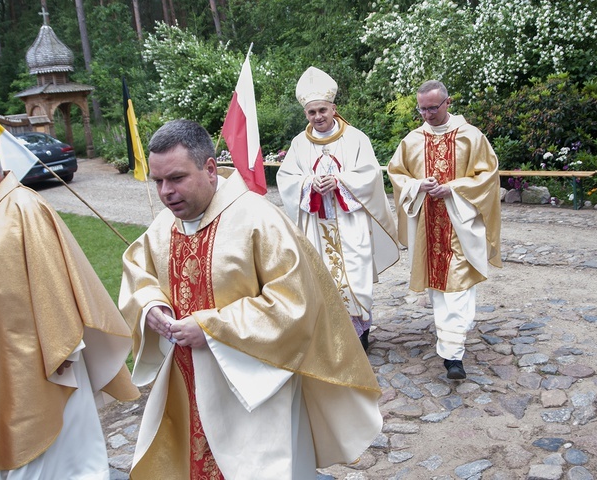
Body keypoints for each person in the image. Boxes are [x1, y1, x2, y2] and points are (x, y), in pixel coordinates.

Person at [119, 119, 383, 480]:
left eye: (177, 178)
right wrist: (151, 305)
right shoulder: (165, 225)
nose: (166, 192)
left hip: (255, 384)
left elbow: (295, 303)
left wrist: (212, 328)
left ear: (210, 169)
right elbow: (138, 271)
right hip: (188, 379)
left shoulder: (258, 220)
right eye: (158, 181)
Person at [0, 139, 139, 479]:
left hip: (41, 358)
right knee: (13, 436)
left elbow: (54, 282)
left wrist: (62, 350)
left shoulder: (23, 210)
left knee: (57, 451)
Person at [276, 66, 399, 351]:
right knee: (324, 281)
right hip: (317, 224)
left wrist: (340, 181)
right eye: (311, 112)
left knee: (354, 277)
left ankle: (361, 331)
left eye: (322, 110)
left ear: (333, 108)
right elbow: (286, 179)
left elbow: (370, 175)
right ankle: (337, 337)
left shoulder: (356, 138)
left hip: (350, 221)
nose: (318, 117)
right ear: (305, 114)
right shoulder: (298, 144)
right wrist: (309, 184)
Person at [387, 80, 502, 380]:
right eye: (422, 108)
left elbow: (487, 176)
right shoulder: (412, 141)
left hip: (461, 225)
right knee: (440, 289)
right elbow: (397, 173)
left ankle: (453, 351)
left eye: (432, 108)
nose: (426, 114)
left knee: (460, 285)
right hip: (428, 226)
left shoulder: (471, 137)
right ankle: (453, 349)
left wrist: (453, 189)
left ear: (448, 103)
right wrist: (416, 186)